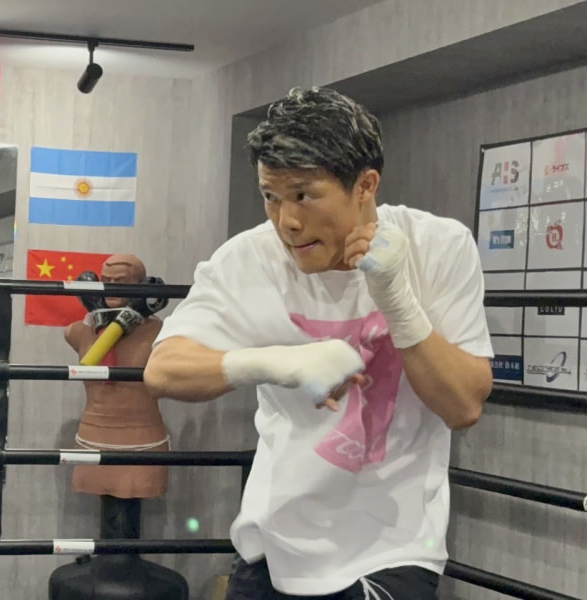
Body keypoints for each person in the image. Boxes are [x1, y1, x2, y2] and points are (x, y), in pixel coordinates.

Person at [144, 87, 494, 599]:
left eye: (304, 195)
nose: (286, 221)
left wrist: (398, 301)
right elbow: (163, 369)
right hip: (271, 543)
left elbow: (463, 405)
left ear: (365, 185)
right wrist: (276, 363)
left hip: (393, 548)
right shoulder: (248, 259)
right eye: (270, 196)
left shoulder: (437, 246)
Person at [64, 254, 169, 500]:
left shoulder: (160, 332)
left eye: (121, 282)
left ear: (141, 287)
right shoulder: (78, 332)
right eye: (106, 280)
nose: (112, 287)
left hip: (142, 437)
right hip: (93, 434)